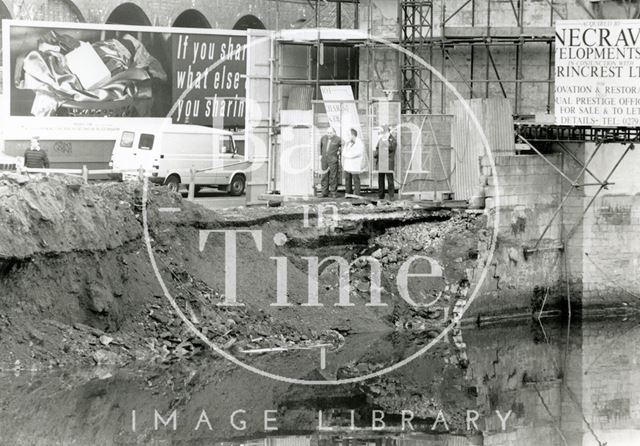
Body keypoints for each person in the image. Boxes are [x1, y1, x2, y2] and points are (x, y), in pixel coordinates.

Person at [374, 125, 396, 200]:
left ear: (388, 132)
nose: (383, 134)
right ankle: (381, 195)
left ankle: (391, 195)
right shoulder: (381, 139)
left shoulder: (392, 139)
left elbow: (391, 148)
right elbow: (377, 148)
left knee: (390, 180)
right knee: (380, 179)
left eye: (385, 132)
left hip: (388, 163)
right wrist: (377, 153)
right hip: (381, 162)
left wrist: (385, 142)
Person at [342, 128, 366, 196]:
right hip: (348, 164)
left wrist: (347, 155)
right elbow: (343, 153)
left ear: (353, 135)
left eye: (349, 135)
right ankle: (348, 193)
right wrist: (346, 153)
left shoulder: (359, 143)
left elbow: (357, 153)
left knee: (356, 180)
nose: (348, 136)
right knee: (347, 180)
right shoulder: (348, 143)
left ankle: (357, 194)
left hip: (355, 164)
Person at [319, 127, 342, 197]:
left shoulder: (338, 139)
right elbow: (320, 147)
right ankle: (324, 192)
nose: (329, 134)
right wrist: (320, 155)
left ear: (334, 133)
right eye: (328, 133)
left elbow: (343, 147)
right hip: (324, 160)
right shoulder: (323, 138)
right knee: (324, 176)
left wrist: (339, 152)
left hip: (333, 160)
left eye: (330, 133)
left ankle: (333, 193)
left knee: (333, 176)